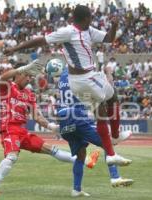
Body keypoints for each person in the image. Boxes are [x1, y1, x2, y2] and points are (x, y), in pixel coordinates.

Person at [4, 5, 131, 166]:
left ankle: (111, 154)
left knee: (101, 111)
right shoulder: (68, 32)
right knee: (112, 97)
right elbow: (40, 40)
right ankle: (115, 136)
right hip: (87, 78)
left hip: (79, 82)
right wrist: (15, 48)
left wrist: (114, 26)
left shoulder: (89, 30)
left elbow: (109, 38)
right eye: (90, 17)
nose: (92, 20)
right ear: (85, 19)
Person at [0, 60, 100, 197]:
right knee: (12, 157)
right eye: (27, 75)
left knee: (50, 149)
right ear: (19, 75)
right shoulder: (8, 87)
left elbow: (37, 116)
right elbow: (2, 78)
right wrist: (22, 68)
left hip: (22, 131)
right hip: (9, 129)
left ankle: (86, 161)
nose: (29, 79)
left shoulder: (29, 94)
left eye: (31, 77)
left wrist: (52, 127)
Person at [57, 67, 133, 197]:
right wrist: (108, 72)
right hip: (77, 115)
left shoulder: (62, 78)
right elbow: (108, 87)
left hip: (62, 118)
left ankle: (76, 189)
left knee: (80, 155)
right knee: (107, 142)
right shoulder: (81, 74)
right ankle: (115, 177)